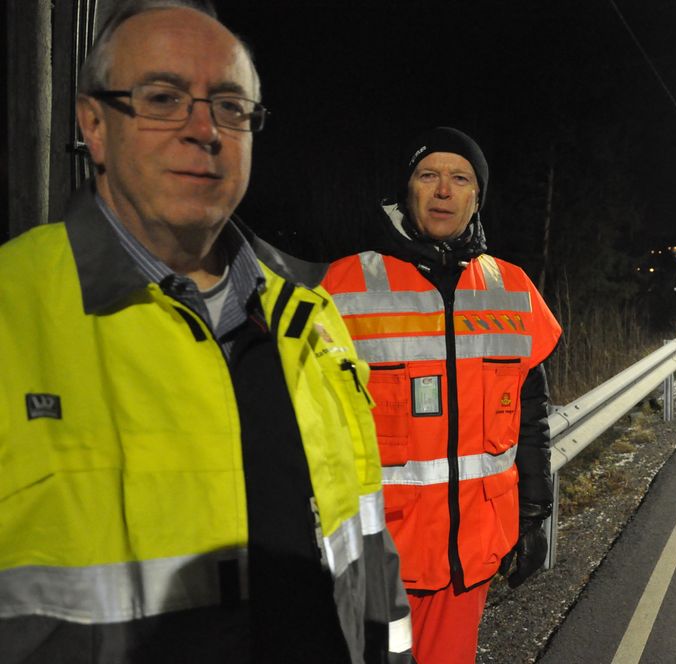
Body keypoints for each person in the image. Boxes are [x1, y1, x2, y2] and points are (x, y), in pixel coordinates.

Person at [0, 2, 411, 662]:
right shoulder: (13, 313)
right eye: (163, 98)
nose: (205, 130)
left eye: (230, 106)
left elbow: (367, 556)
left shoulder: (313, 323)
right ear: (94, 126)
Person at [322, 127, 562, 663]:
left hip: (469, 557)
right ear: (406, 190)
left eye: (460, 179)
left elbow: (530, 416)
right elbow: (308, 428)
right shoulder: (345, 287)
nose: (443, 191)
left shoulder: (512, 288)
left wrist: (534, 512)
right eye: (429, 175)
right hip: (376, 560)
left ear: (478, 197)